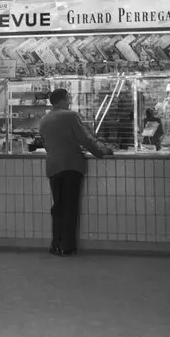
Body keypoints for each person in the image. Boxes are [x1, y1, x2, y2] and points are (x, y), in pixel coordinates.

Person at [39, 88, 113, 257]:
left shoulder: (44, 119)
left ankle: (55, 244)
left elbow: (45, 144)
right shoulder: (70, 116)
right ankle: (67, 246)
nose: (70, 101)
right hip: (71, 166)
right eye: (68, 98)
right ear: (62, 100)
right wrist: (101, 152)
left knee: (58, 206)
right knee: (70, 207)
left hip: (53, 166)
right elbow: (84, 139)